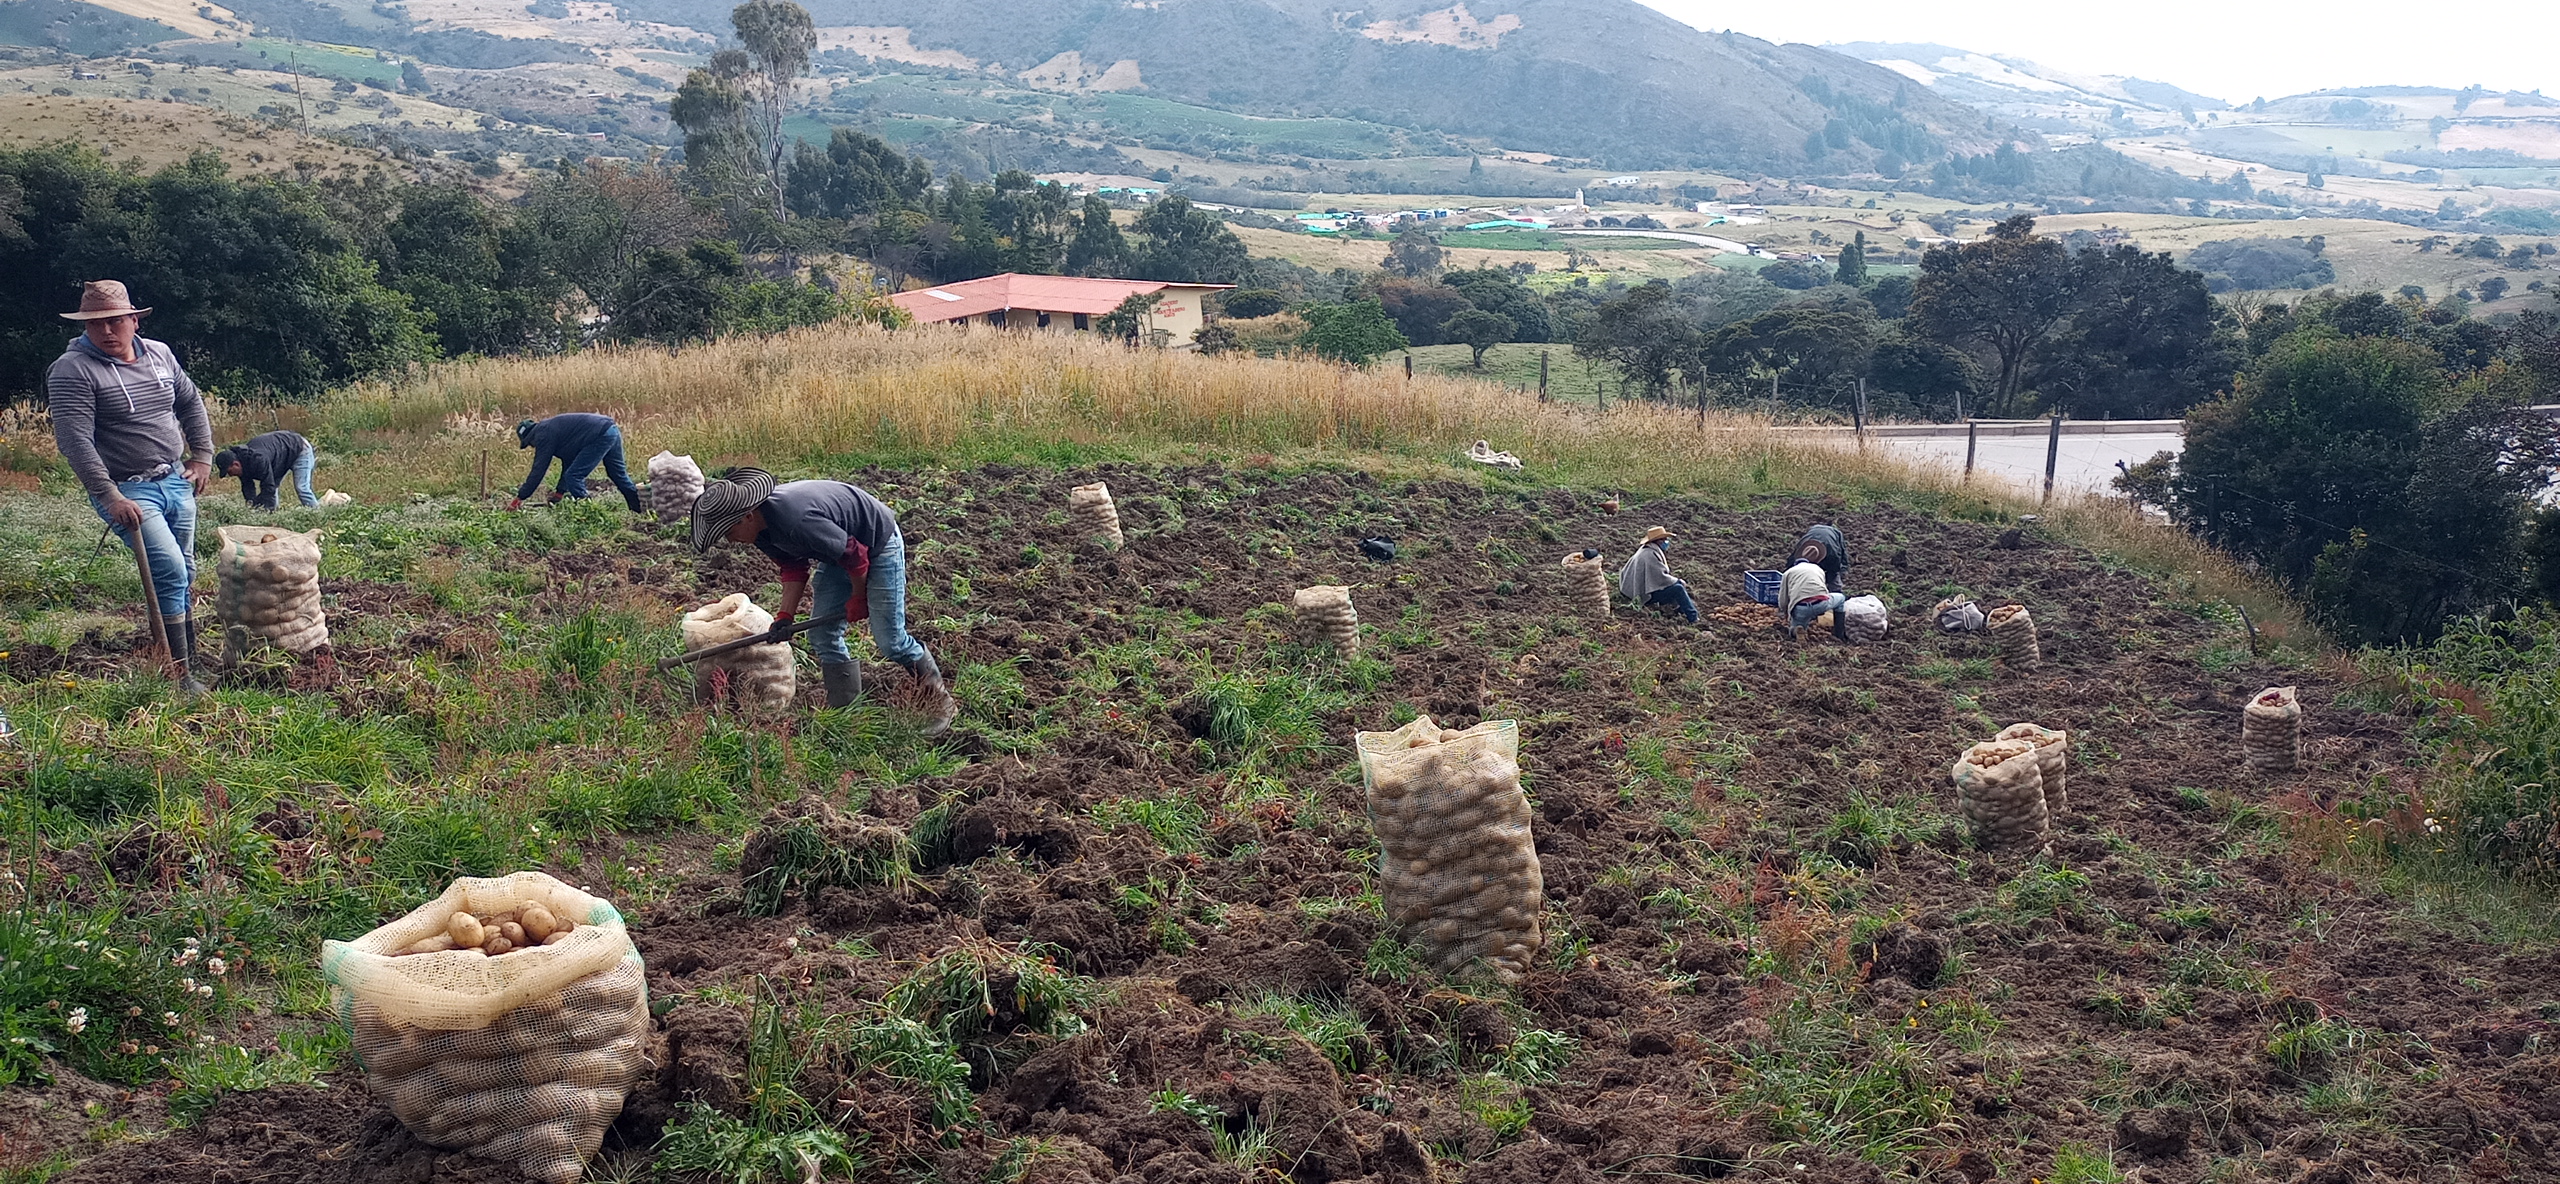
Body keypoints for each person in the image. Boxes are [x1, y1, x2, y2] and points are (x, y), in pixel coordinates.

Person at [688, 467, 957, 734]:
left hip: (877, 544)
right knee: (822, 635)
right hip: (839, 552)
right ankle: (848, 712)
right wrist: (785, 616)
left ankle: (941, 703)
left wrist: (859, 596)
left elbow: (856, 554)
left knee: (891, 641)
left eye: (729, 532)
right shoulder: (761, 530)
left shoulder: (796, 520)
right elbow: (793, 567)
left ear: (747, 516)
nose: (729, 540)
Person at [48, 280, 212, 694]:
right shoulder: (72, 370)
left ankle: (186, 663)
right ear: (85, 326)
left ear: (134, 320)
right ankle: (179, 676)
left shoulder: (160, 354)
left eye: (115, 320)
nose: (106, 330)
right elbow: (75, 440)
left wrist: (203, 456)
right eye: (96, 323)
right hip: (128, 490)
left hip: (175, 480)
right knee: (171, 570)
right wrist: (109, 496)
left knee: (186, 570)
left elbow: (190, 402)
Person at [509, 413, 642, 513]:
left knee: (574, 477)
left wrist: (520, 498)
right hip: (611, 430)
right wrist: (560, 493)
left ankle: (591, 513)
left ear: (530, 437)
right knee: (617, 474)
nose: (532, 447)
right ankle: (639, 509)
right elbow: (569, 462)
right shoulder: (553, 430)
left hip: (599, 434)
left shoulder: (542, 434)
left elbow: (538, 470)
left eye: (529, 444)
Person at [212, 430, 318, 510]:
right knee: (272, 489)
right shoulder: (242, 461)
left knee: (301, 488)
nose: (230, 475)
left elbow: (268, 488)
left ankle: (318, 515)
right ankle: (273, 518)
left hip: (299, 449)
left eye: (229, 471)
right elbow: (248, 487)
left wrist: (262, 508)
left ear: (236, 464)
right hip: (280, 457)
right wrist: (252, 505)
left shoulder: (258, 459)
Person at [1618, 526, 1698, 625]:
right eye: (1664, 539)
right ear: (1658, 541)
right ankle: (1693, 618)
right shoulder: (1650, 555)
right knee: (1678, 588)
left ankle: (1680, 611)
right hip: (1643, 595)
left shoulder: (1646, 550)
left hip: (1635, 589)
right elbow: (1661, 578)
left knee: (1675, 587)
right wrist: (1678, 581)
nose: (1666, 542)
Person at [1781, 555, 1849, 641]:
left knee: (1796, 627)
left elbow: (1783, 598)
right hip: (1820, 603)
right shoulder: (1817, 568)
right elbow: (1822, 588)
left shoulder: (1788, 573)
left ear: (1795, 565)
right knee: (1841, 598)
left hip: (1801, 607)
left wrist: (1785, 612)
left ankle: (1797, 631)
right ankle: (1839, 634)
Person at [1792, 524, 1849, 594]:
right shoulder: (1801, 548)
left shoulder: (1832, 555)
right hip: (1814, 529)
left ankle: (1837, 593)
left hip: (1832, 535)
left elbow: (1834, 569)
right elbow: (1791, 563)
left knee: (1834, 583)